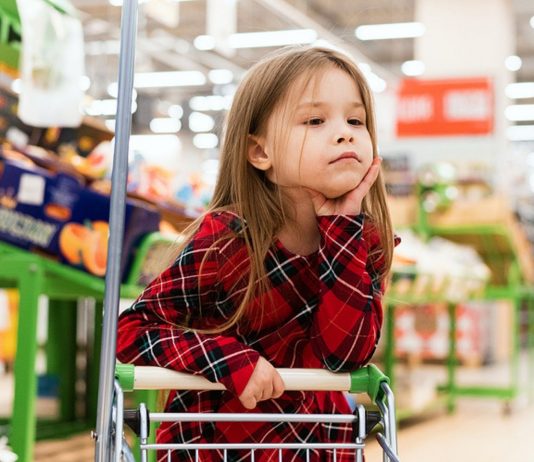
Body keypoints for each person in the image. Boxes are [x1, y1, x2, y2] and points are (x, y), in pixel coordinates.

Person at [117, 45, 397, 462]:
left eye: (355, 120)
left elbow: (345, 355)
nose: (345, 132)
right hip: (217, 445)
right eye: (315, 120)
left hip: (317, 445)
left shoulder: (365, 241)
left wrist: (342, 228)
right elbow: (132, 331)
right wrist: (229, 359)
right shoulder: (226, 241)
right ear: (260, 152)